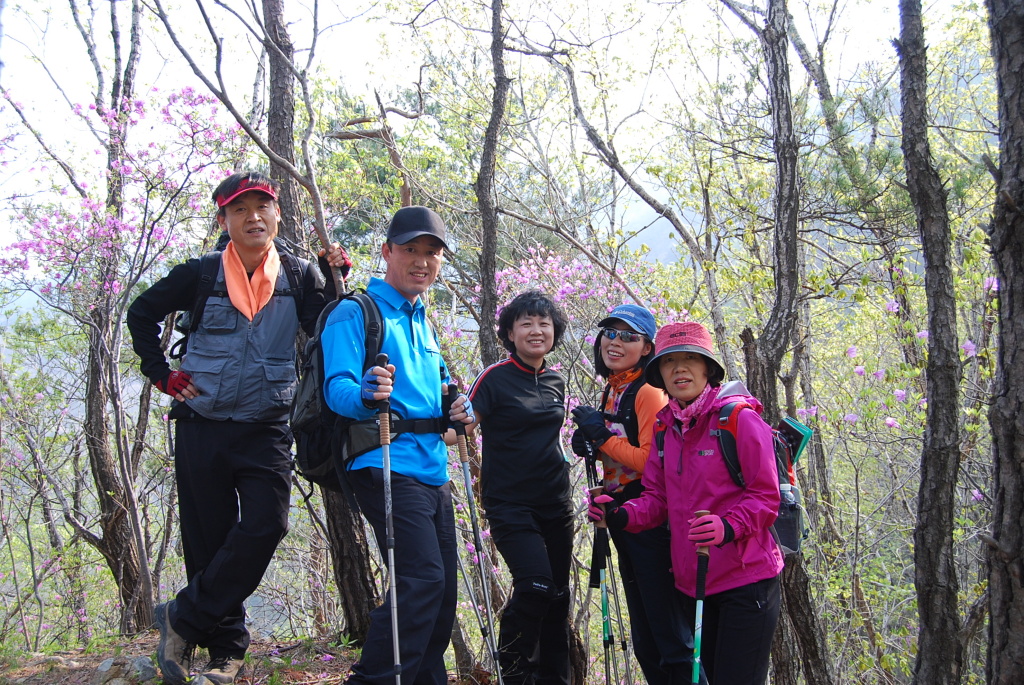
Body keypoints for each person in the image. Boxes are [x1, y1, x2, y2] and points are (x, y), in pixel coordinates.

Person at [127, 170, 352, 685]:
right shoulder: (201, 274)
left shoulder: (299, 275)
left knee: (266, 525)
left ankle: (181, 618)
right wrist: (160, 372)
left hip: (266, 426)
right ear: (224, 219)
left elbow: (328, 326)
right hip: (201, 421)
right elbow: (140, 313)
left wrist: (334, 274)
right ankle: (225, 652)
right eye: (239, 209)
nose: (252, 217)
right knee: (207, 538)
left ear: (277, 215)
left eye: (261, 207)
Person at [321, 205, 472, 685]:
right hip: (382, 460)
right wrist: (366, 394)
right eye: (411, 250)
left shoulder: (423, 319)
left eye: (432, 253)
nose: (422, 260)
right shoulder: (355, 312)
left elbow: (443, 385)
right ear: (387, 252)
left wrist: (456, 404)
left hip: (433, 470)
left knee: (442, 589)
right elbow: (337, 389)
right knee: (421, 580)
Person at [589, 321, 783, 685]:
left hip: (747, 580)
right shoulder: (667, 427)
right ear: (659, 372)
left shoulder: (738, 419)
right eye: (670, 361)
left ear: (708, 367)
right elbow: (658, 499)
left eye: (690, 359)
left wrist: (728, 526)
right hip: (696, 583)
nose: (680, 369)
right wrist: (618, 515)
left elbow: (765, 496)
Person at [571, 305, 706, 685]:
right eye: (610, 334)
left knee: (668, 634)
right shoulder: (615, 388)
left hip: (650, 521)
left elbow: (651, 463)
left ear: (647, 348)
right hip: (623, 517)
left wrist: (603, 439)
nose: (615, 342)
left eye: (629, 336)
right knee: (646, 637)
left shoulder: (647, 391)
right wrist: (593, 446)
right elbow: (621, 450)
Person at [467, 290, 572, 685]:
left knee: (558, 599)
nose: (536, 330)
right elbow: (462, 427)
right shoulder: (494, 378)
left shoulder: (556, 380)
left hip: (556, 503)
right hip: (510, 503)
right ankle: (513, 669)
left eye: (544, 323)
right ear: (510, 333)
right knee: (536, 585)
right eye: (526, 323)